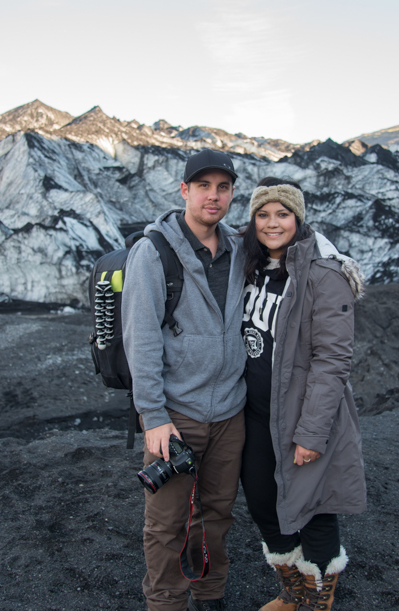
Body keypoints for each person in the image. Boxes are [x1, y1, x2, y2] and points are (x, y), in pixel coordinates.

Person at [122, 150, 248, 611]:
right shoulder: (153, 252)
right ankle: (166, 603)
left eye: (223, 187)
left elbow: (289, 235)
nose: (213, 196)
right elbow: (141, 340)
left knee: (216, 514)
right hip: (176, 415)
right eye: (203, 186)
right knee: (167, 522)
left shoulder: (238, 248)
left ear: (232, 193)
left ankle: (209, 594)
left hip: (230, 413)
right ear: (184, 191)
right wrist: (153, 416)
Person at [239, 178, 367, 611]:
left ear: (299, 218)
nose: (272, 223)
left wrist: (312, 433)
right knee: (262, 504)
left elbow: (333, 359)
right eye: (263, 214)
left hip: (301, 417)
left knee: (313, 509)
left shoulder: (323, 275)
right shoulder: (250, 265)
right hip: (254, 415)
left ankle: (318, 601)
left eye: (283, 214)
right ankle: (292, 592)